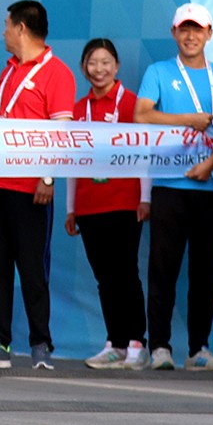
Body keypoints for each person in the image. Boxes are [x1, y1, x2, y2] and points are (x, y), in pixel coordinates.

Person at [0, 0, 73, 370]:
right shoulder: (8, 71)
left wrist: (47, 177)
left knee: (32, 268)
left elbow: (60, 133)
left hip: (30, 188)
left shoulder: (57, 73)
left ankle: (41, 343)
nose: (3, 32)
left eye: (6, 25)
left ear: (22, 29)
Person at [137, 4, 213, 372]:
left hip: (210, 186)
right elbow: (142, 114)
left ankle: (199, 349)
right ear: (174, 32)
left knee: (205, 272)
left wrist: (210, 164)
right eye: (184, 29)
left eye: (198, 30)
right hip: (168, 185)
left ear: (209, 34)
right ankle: (159, 346)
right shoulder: (159, 72)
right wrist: (188, 120)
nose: (191, 36)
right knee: (162, 268)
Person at [68, 37, 148, 370]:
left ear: (116, 66)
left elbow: (145, 150)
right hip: (89, 205)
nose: (98, 69)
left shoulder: (132, 104)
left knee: (126, 273)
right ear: (84, 68)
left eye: (105, 62)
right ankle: (114, 341)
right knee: (104, 277)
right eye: (92, 63)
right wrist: (71, 208)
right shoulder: (77, 109)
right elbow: (72, 160)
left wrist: (145, 197)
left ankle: (136, 342)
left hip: (125, 203)